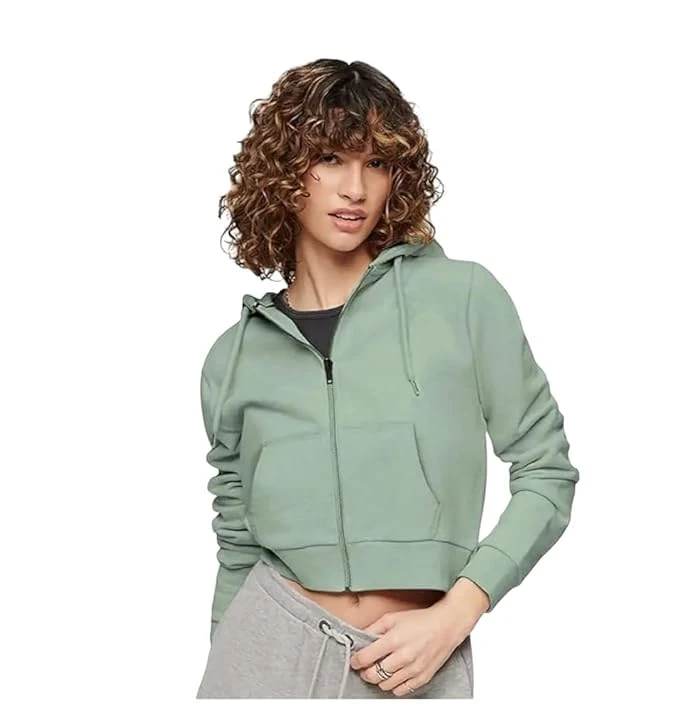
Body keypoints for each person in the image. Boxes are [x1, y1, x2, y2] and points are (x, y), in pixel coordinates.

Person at [195, 58, 579, 699]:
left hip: (409, 660)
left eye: (376, 163)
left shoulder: (462, 298)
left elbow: (547, 471)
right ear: (283, 172)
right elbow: (236, 540)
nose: (355, 188)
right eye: (330, 159)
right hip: (264, 651)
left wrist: (460, 609)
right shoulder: (234, 357)